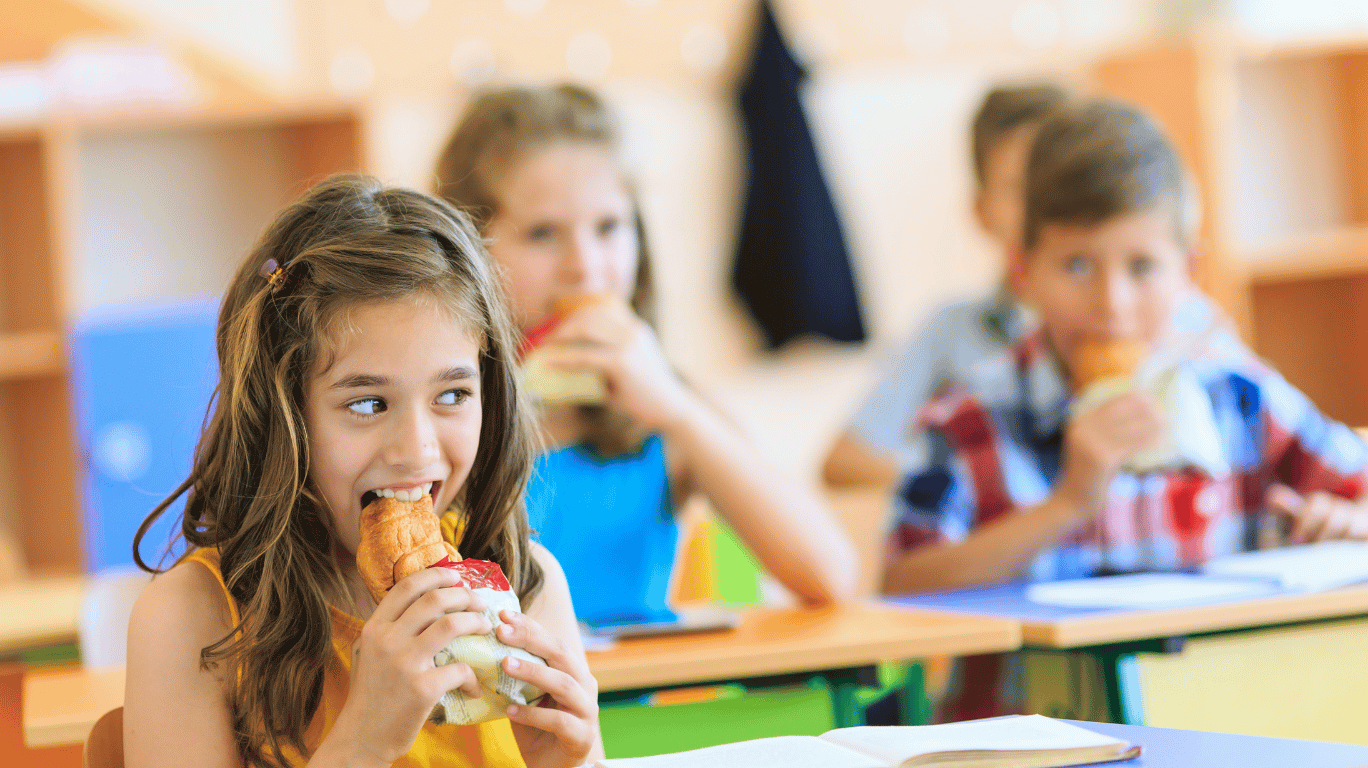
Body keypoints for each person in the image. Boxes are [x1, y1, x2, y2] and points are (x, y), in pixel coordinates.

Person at [881, 98, 1368, 718]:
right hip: (1023, 738)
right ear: (1024, 273)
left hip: (1221, 725)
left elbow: (1356, 481)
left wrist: (1351, 522)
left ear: (1188, 270)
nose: (1112, 302)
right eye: (1077, 266)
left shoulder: (1236, 396)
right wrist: (1068, 503)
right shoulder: (968, 419)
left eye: (1143, 267)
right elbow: (900, 584)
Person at [124, 176, 601, 768]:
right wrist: (366, 739)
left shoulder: (530, 585)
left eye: (452, 394)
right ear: (283, 415)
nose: (415, 448)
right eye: (368, 404)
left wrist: (567, 762)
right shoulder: (190, 620)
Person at [434, 84, 856, 624]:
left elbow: (830, 574)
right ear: (467, 246)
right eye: (542, 233)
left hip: (640, 705)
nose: (584, 266)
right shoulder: (438, 418)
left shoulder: (664, 408)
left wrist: (675, 408)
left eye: (609, 227)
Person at [822, 82, 1069, 489]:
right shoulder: (947, 333)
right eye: (1019, 189)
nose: (1041, 210)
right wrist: (975, 489)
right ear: (981, 212)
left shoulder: (1145, 317)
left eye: (1061, 183)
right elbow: (845, 460)